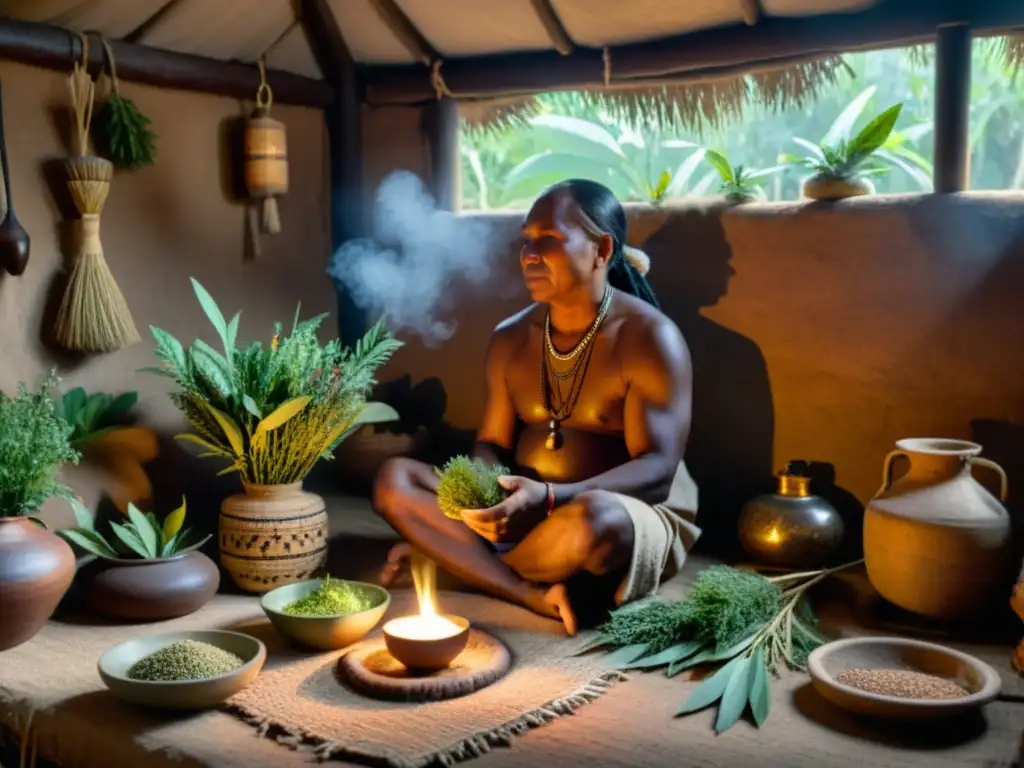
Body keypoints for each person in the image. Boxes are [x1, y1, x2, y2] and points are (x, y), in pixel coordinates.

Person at [373, 178, 700, 635]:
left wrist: (548, 498)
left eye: (548, 240)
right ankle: (526, 591)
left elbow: (659, 470)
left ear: (602, 249)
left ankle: (460, 564)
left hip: (614, 511)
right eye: (526, 241)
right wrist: (489, 496)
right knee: (396, 480)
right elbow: (491, 442)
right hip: (524, 511)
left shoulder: (648, 338)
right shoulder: (511, 337)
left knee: (596, 524)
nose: (529, 254)